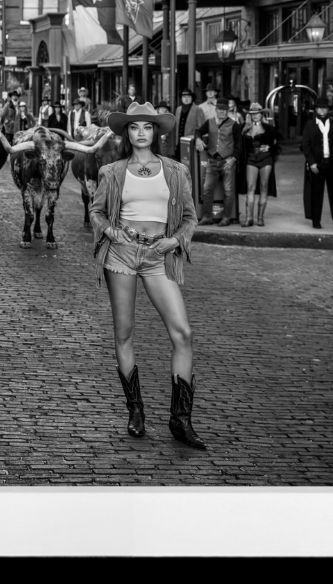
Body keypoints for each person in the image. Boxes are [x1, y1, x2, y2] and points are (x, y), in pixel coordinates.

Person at [89, 102, 206, 450]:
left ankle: (180, 420)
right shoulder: (111, 171)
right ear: (127, 133)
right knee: (124, 334)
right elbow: (96, 212)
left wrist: (174, 240)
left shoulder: (175, 171)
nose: (141, 133)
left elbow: (190, 217)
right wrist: (110, 232)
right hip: (122, 254)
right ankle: (135, 410)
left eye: (148, 127)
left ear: (156, 132)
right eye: (135, 127)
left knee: (182, 333)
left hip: (159, 255)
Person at [195, 96, 240, 225]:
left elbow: (239, 146)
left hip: (227, 161)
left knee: (228, 191)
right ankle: (207, 217)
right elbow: (198, 131)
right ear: (216, 110)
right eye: (220, 109)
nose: (222, 112)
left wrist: (233, 159)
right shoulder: (209, 122)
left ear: (227, 111)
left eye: (224, 110)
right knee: (207, 189)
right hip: (212, 160)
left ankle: (227, 218)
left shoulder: (234, 125)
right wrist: (198, 139)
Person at [300, 96, 333, 230]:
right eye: (320, 108)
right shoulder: (310, 125)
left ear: (328, 110)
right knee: (316, 193)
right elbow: (305, 145)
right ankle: (316, 220)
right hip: (317, 165)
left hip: (332, 164)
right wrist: (311, 163)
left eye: (325, 108)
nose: (322, 110)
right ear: (316, 110)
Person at [239, 101, 279, 227]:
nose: (255, 115)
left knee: (264, 186)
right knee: (250, 187)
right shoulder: (244, 128)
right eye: (252, 113)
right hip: (250, 159)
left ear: (261, 114)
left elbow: (277, 144)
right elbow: (239, 144)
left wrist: (269, 148)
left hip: (266, 160)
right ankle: (249, 218)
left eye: (257, 113)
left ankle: (260, 218)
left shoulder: (268, 128)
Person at [171, 87, 205, 163]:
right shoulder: (178, 109)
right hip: (179, 142)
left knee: (190, 164)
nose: (186, 99)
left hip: (191, 142)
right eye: (184, 97)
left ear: (192, 98)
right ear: (181, 98)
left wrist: (196, 139)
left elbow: (201, 127)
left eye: (188, 97)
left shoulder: (198, 109)